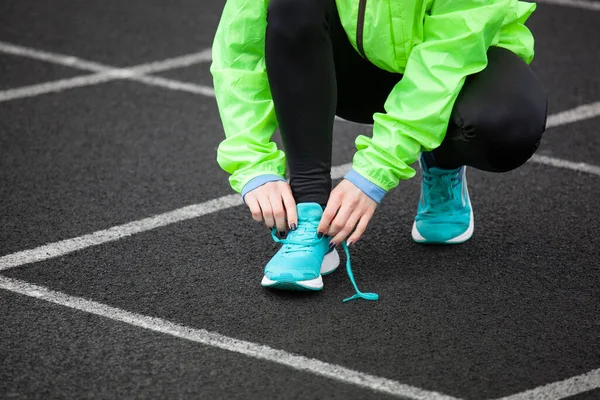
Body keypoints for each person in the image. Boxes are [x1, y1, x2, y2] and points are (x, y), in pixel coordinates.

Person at [210, 0, 547, 301]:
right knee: (291, 6)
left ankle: (444, 160)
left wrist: (373, 173)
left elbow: (445, 62)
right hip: (353, 65)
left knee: (507, 126)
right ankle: (310, 215)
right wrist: (252, 162)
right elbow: (240, 43)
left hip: (462, 62)